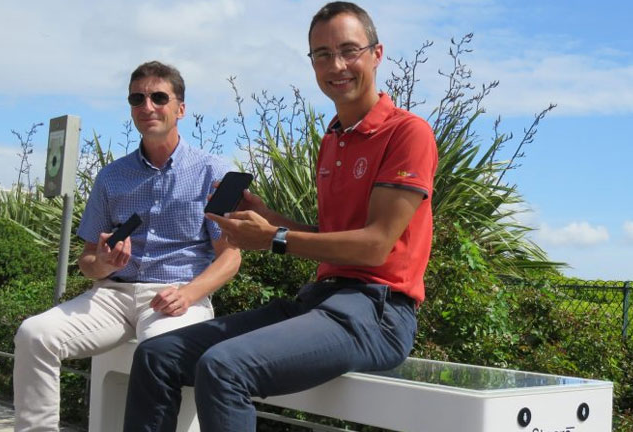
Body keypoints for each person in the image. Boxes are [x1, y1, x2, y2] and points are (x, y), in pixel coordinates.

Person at [122, 2, 438, 430]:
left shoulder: (407, 132)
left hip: (379, 313)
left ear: (376, 54)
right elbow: (334, 236)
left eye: (349, 51)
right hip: (322, 299)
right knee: (157, 355)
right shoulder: (334, 140)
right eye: (322, 55)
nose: (337, 65)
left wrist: (273, 238)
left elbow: (376, 244)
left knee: (224, 368)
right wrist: (269, 217)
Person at [12, 61, 241, 431]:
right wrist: (102, 263)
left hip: (176, 295)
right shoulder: (111, 176)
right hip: (111, 297)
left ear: (180, 108)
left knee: (160, 352)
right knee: (34, 335)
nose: (147, 106)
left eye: (158, 97)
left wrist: (188, 293)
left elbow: (230, 257)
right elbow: (87, 261)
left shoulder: (213, 172)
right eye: (137, 98)